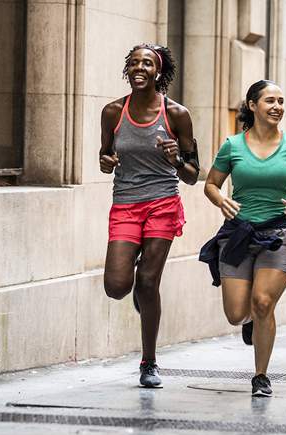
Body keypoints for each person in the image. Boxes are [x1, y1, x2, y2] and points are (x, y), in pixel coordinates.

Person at [200, 80, 286, 397]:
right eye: (270, 100)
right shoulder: (232, 146)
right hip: (239, 232)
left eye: (281, 101)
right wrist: (220, 200)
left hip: (282, 232)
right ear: (253, 105)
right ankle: (250, 322)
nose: (277, 107)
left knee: (263, 302)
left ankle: (260, 376)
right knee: (235, 313)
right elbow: (211, 183)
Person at [98, 44, 200, 388]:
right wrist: (106, 162)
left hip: (162, 203)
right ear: (127, 70)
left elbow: (192, 174)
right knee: (116, 287)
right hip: (126, 203)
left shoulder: (177, 115)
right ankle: (141, 288)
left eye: (147, 63)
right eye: (133, 62)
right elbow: (105, 155)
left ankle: (149, 362)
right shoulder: (113, 112)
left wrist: (175, 159)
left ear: (158, 72)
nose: (139, 67)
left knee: (147, 283)